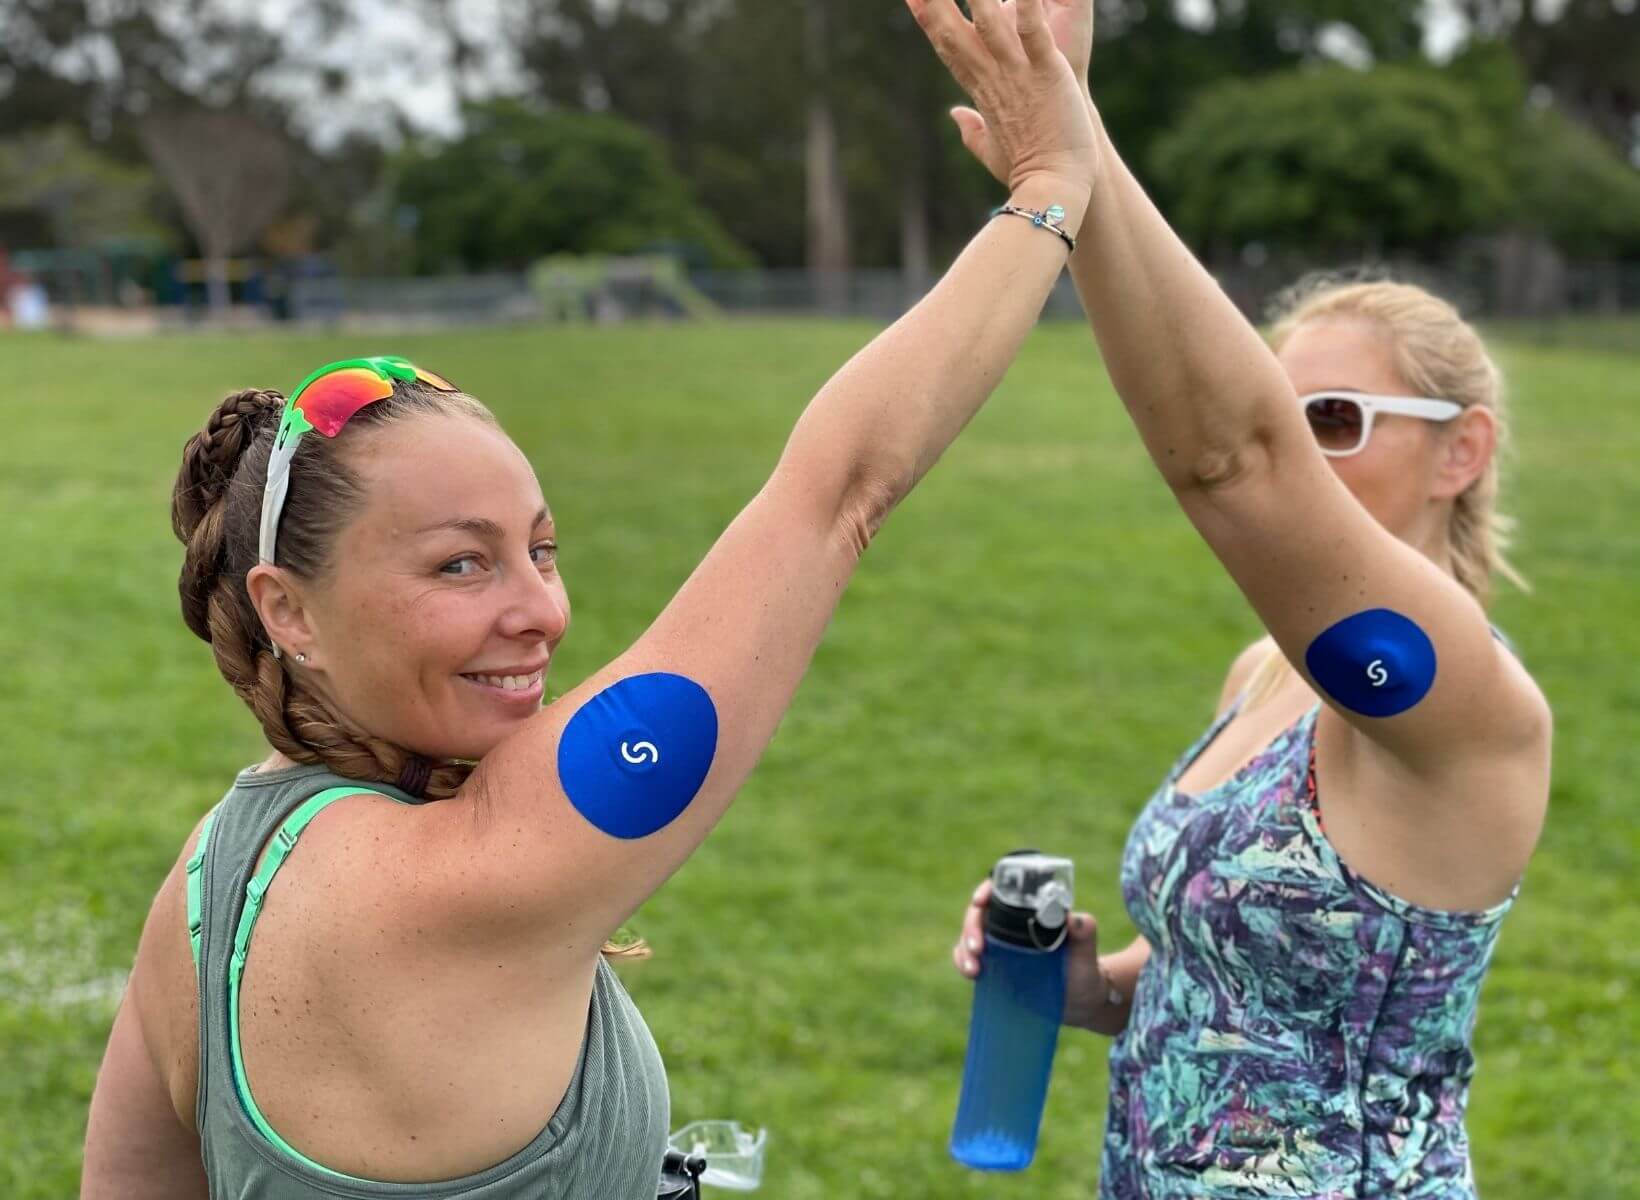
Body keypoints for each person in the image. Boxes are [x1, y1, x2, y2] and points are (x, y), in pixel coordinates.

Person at [78, 4, 1101, 1197]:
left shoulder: (206, 883)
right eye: (460, 563)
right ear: (287, 610)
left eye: (540, 550)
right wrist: (1050, 179)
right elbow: (836, 494)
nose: (539, 614)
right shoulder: (479, 872)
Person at [923, 1, 1552, 1195]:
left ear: (1459, 452)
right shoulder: (1263, 673)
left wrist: (1074, 155)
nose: (1301, 452)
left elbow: (1232, 461)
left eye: (1333, 420)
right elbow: (1208, 975)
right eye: (1280, 405)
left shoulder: (1466, 709)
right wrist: (1085, 988)